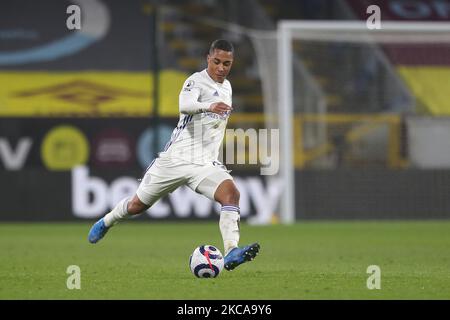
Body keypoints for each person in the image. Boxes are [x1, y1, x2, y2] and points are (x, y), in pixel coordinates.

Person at [88, 39, 260, 271]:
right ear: (208, 59)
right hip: (175, 160)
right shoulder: (195, 81)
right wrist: (208, 107)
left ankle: (231, 251)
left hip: (204, 164)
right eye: (217, 62)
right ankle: (107, 221)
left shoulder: (227, 87)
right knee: (137, 205)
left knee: (231, 195)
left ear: (232, 63)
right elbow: (185, 105)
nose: (221, 68)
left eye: (226, 64)